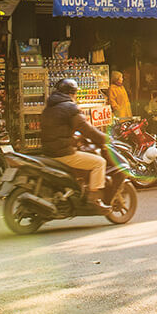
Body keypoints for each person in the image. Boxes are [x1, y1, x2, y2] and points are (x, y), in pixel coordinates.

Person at [41, 77, 113, 215]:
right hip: (63, 153)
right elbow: (87, 130)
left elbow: (59, 130)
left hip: (49, 152)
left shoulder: (49, 108)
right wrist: (104, 138)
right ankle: (94, 200)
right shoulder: (70, 108)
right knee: (99, 163)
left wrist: (75, 138)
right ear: (71, 93)